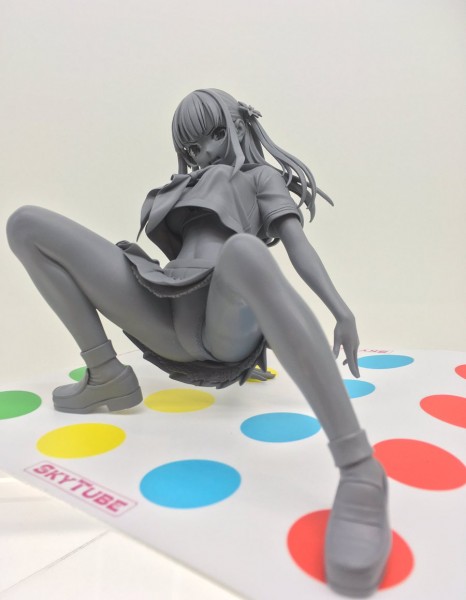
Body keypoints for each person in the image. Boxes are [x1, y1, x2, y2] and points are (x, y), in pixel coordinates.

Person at [7, 88, 390, 597]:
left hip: (221, 324)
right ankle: (106, 374)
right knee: (26, 223)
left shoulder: (259, 178)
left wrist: (341, 310)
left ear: (239, 125)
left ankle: (360, 468)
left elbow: (297, 247)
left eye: (214, 134)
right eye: (191, 146)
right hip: (166, 310)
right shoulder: (187, 184)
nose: (204, 151)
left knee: (246, 252)